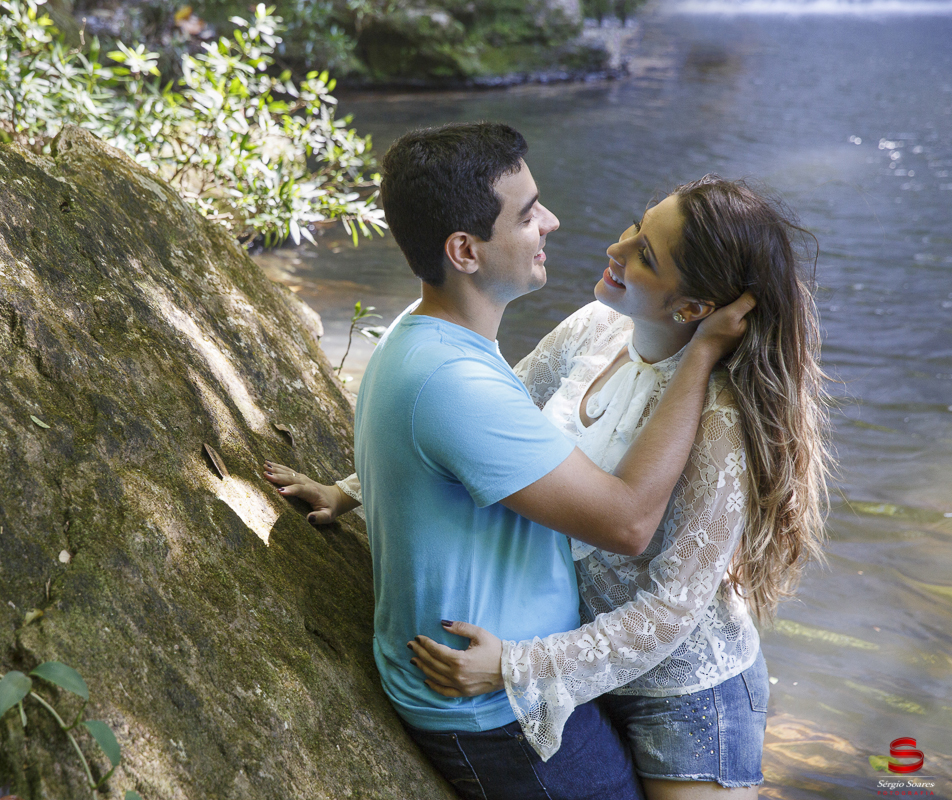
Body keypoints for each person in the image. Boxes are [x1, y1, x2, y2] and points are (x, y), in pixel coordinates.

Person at [268, 175, 830, 799]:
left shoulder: (717, 417)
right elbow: (496, 423)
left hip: (683, 698)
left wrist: (516, 667)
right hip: (585, 663)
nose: (617, 249)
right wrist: (351, 491)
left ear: (694, 310)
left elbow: (672, 611)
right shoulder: (595, 326)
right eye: (635, 227)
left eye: (645, 254)